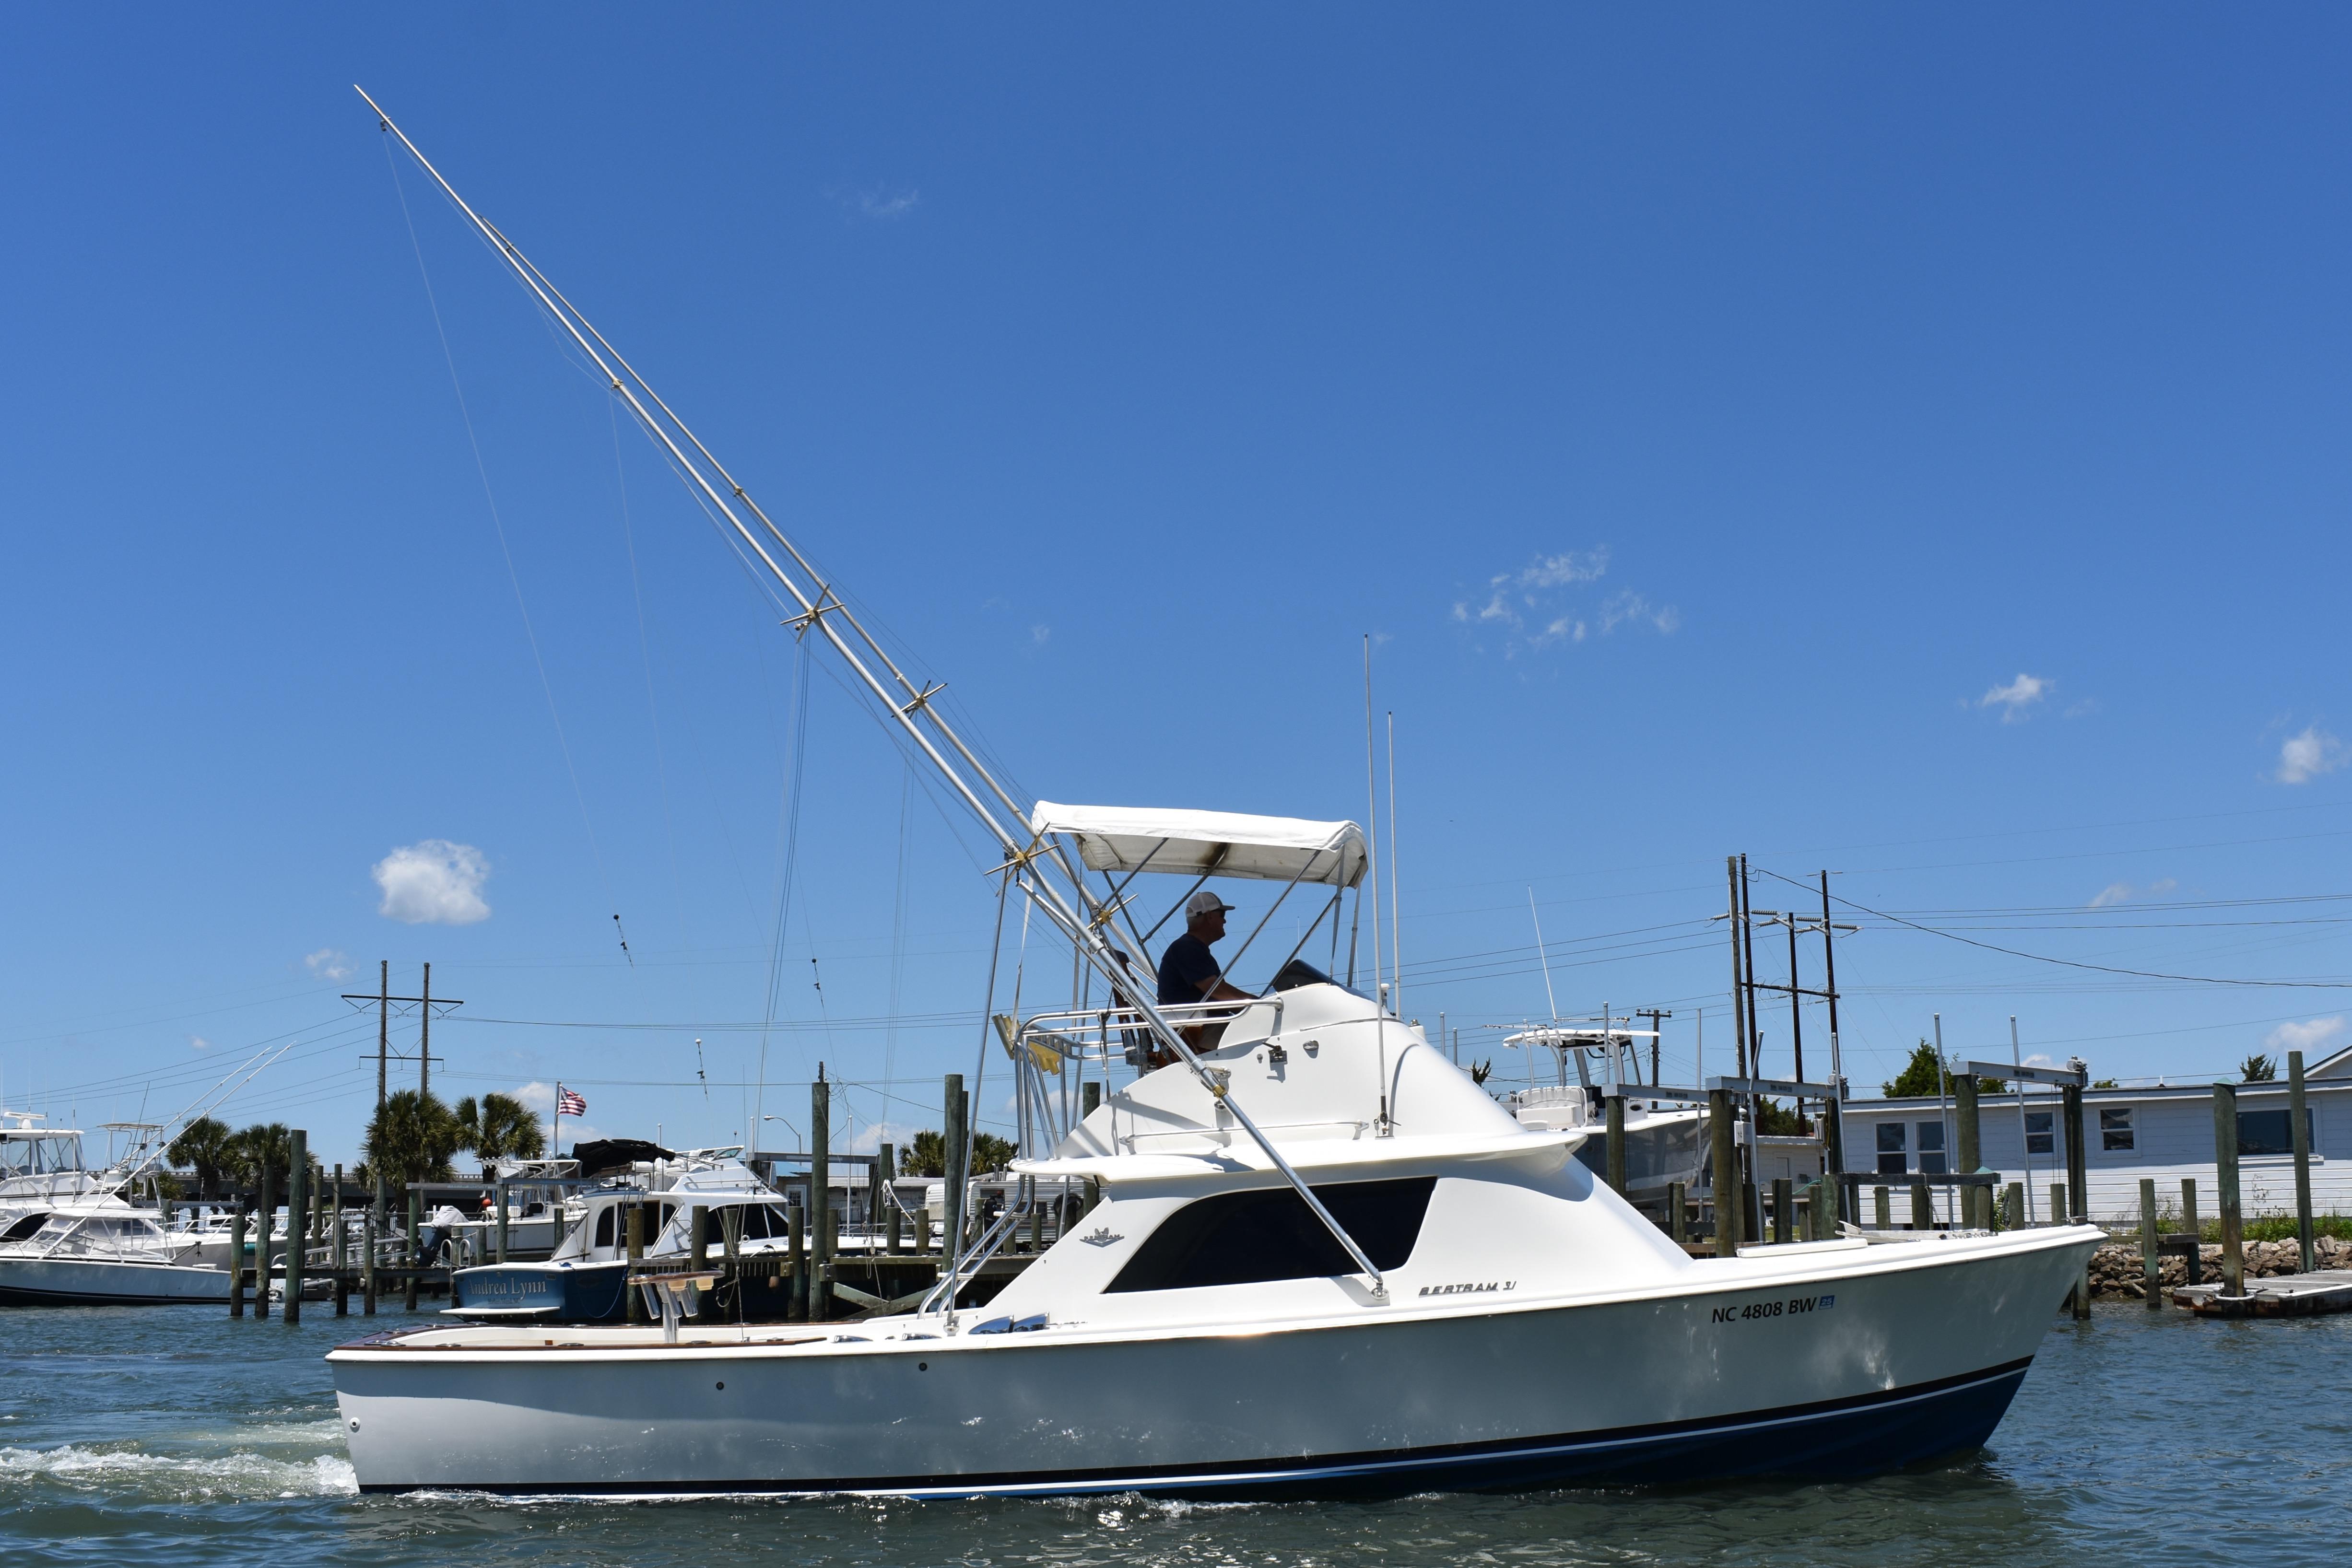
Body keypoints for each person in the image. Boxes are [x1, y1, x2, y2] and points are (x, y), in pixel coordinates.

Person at [1154, 889, 1254, 1060]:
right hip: (1196, 1035)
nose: (1225, 920)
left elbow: (1219, 995)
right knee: (1267, 1035)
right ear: (1209, 917)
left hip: (1202, 1030)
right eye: (1221, 914)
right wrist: (1260, 1006)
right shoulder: (1187, 948)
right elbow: (1217, 992)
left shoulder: (1192, 948)